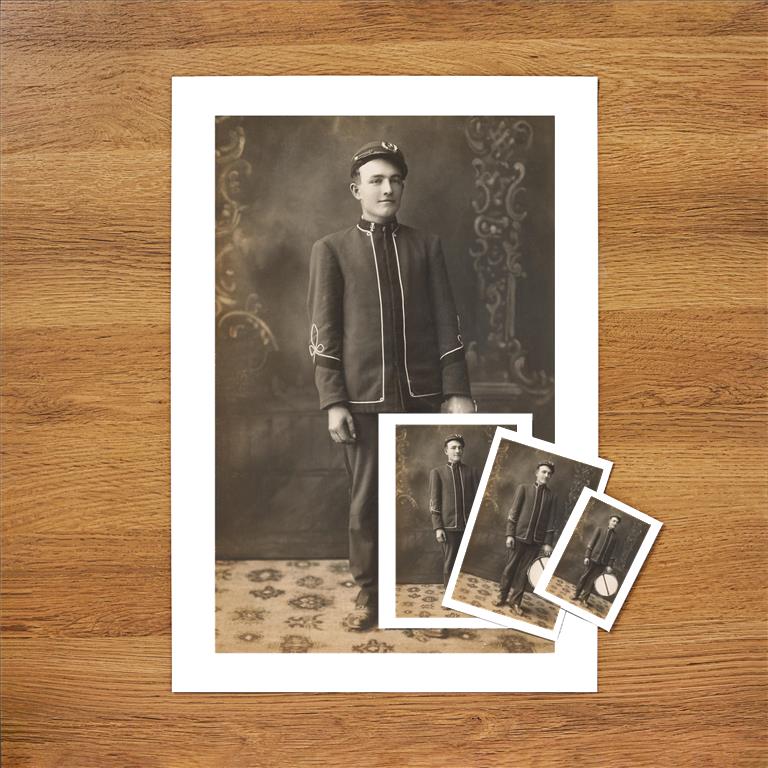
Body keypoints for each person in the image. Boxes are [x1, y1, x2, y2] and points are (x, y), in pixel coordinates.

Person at [307, 141, 474, 631]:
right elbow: (324, 333)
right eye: (376, 180)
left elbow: (447, 321)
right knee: (366, 502)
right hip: (362, 400)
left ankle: (430, 589)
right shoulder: (332, 250)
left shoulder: (426, 246)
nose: (387, 189)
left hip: (424, 397)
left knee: (427, 496)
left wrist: (456, 390)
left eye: (395, 180)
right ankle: (369, 594)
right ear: (356, 190)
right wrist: (333, 400)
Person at [493, 461, 557, 616]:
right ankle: (502, 596)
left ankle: (515, 602)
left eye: (549, 473)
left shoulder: (552, 496)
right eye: (543, 472)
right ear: (537, 473)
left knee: (524, 573)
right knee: (510, 569)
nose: (546, 475)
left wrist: (548, 543)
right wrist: (510, 534)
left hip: (536, 541)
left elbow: (551, 521)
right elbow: (513, 513)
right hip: (519, 536)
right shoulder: (524, 489)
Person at [429, 434, 480, 589]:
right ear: (446, 451)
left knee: (467, 563)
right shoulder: (437, 472)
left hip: (468, 526)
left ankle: (461, 593)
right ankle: (448, 593)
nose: (457, 451)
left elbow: (478, 500)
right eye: (453, 448)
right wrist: (438, 527)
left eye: (460, 448)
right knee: (450, 563)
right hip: (449, 527)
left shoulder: (471, 472)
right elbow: (434, 503)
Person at [573, 514, 622, 606]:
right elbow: (591, 543)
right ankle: (576, 595)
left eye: (617, 522)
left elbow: (613, 552)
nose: (615, 523)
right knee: (584, 577)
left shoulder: (616, 537)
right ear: (609, 521)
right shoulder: (600, 529)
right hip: (592, 558)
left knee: (593, 581)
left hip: (603, 563)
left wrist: (610, 565)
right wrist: (587, 556)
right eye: (613, 521)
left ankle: (584, 599)